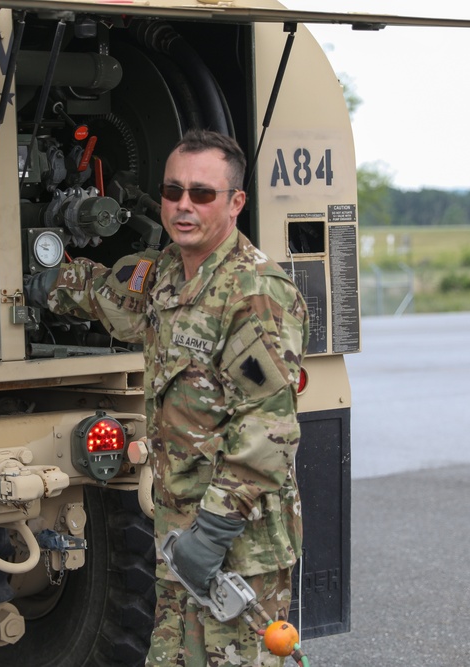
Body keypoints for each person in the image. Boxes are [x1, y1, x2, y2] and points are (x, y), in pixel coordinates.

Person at [28, 129, 309, 666]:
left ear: (235, 202)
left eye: (202, 194)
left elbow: (266, 429)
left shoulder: (254, 294)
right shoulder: (165, 276)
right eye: (173, 191)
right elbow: (110, 296)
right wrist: (42, 281)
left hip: (236, 545)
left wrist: (215, 532)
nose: (184, 206)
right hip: (178, 531)